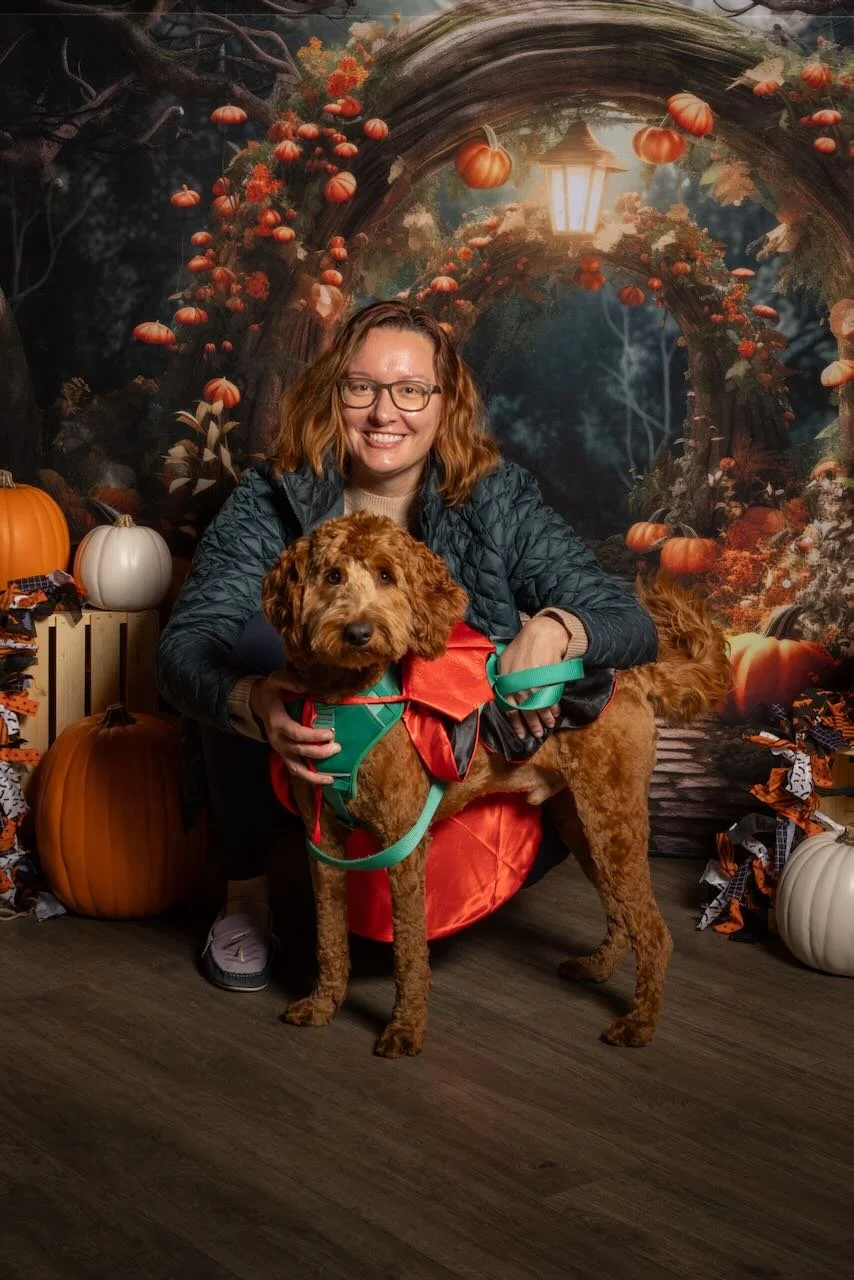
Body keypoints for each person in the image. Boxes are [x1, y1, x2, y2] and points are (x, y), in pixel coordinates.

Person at [157, 300, 658, 992]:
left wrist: (555, 625)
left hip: (458, 783)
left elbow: (628, 620)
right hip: (316, 771)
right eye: (361, 387)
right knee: (242, 646)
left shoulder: (495, 498)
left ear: (443, 402)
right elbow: (184, 647)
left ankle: (443, 895)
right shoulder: (273, 495)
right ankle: (246, 900)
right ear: (334, 393)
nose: (383, 413)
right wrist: (250, 703)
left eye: (410, 390)